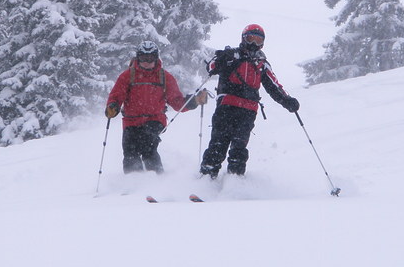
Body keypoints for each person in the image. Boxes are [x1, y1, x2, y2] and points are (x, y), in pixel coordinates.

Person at [200, 24, 299, 178]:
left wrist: (287, 101)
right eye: (250, 38)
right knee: (218, 143)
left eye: (258, 40)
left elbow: (274, 86)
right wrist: (221, 59)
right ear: (243, 38)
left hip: (248, 110)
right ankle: (206, 178)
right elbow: (211, 67)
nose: (253, 44)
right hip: (226, 106)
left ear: (263, 43)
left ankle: (235, 182)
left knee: (239, 147)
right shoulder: (232, 55)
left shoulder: (261, 63)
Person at [106, 41, 207, 173]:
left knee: (148, 146)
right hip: (131, 121)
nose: (147, 62)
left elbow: (177, 102)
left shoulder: (164, 77)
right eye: (143, 58)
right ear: (138, 57)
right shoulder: (127, 76)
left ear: (156, 58)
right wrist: (113, 106)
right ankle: (132, 182)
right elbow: (117, 95)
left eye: (150, 58)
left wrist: (193, 101)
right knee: (130, 152)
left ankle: (157, 179)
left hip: (155, 120)